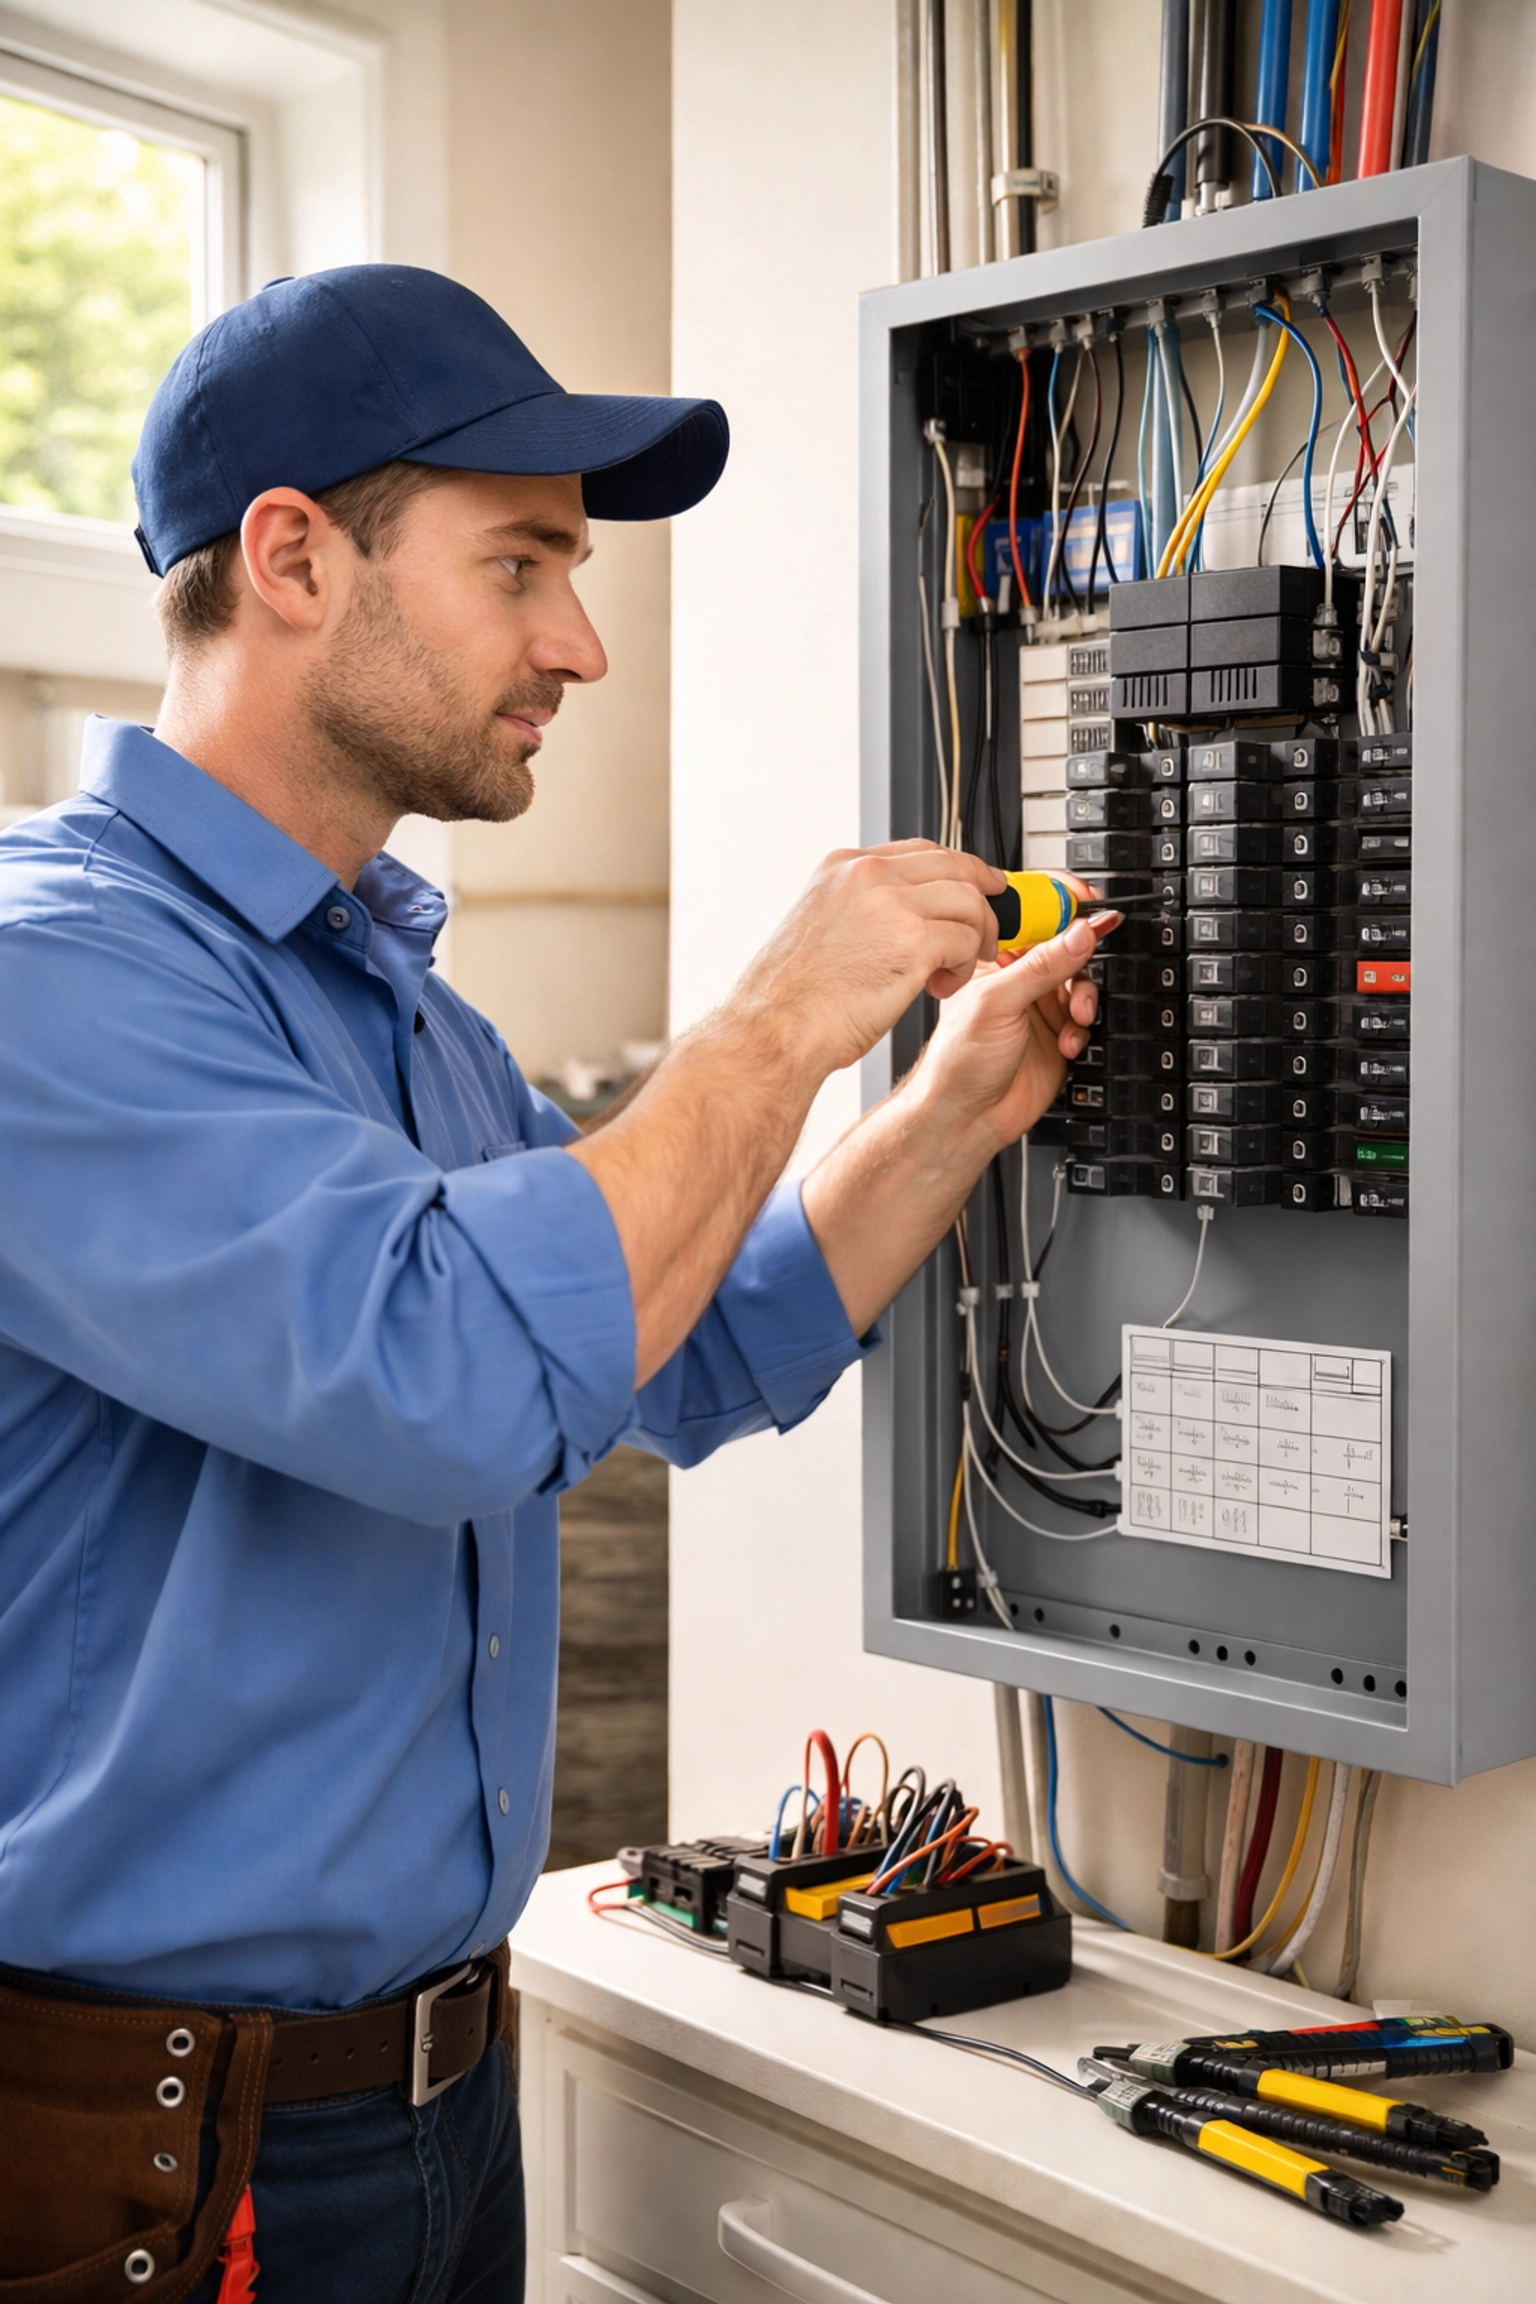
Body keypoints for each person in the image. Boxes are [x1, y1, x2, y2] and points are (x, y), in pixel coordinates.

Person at [0, 266, 1105, 2301]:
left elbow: (679, 1352)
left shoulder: (412, 1023)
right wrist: (779, 1018)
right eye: (520, 566)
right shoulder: (50, 978)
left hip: (437, 2110)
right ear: (292, 558)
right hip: (156, 2153)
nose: (579, 645)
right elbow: (455, 1376)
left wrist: (952, 1107)